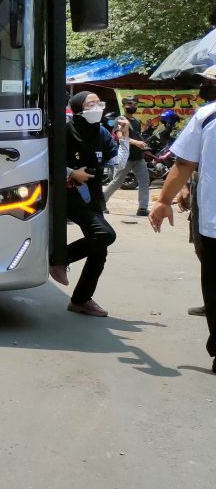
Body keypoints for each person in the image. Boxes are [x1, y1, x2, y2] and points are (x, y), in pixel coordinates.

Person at [147, 64, 216, 372]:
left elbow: (185, 164)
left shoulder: (206, 117)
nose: (204, 88)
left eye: (209, 83)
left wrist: (162, 200)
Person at [48, 92, 119, 317]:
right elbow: (46, 160)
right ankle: (59, 258)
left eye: (99, 103)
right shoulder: (66, 130)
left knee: (100, 249)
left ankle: (81, 300)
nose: (97, 107)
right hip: (69, 195)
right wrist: (72, 172)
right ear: (79, 108)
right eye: (91, 103)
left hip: (93, 196)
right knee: (106, 235)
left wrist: (125, 138)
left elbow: (116, 161)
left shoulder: (101, 132)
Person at [103, 96, 151, 216]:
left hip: (138, 157)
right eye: (130, 104)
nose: (133, 106)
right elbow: (120, 137)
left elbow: (136, 135)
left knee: (145, 181)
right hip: (126, 157)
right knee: (117, 182)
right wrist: (136, 143)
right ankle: (100, 203)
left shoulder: (136, 121)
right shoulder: (120, 120)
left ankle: (143, 208)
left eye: (134, 104)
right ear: (124, 106)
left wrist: (147, 129)